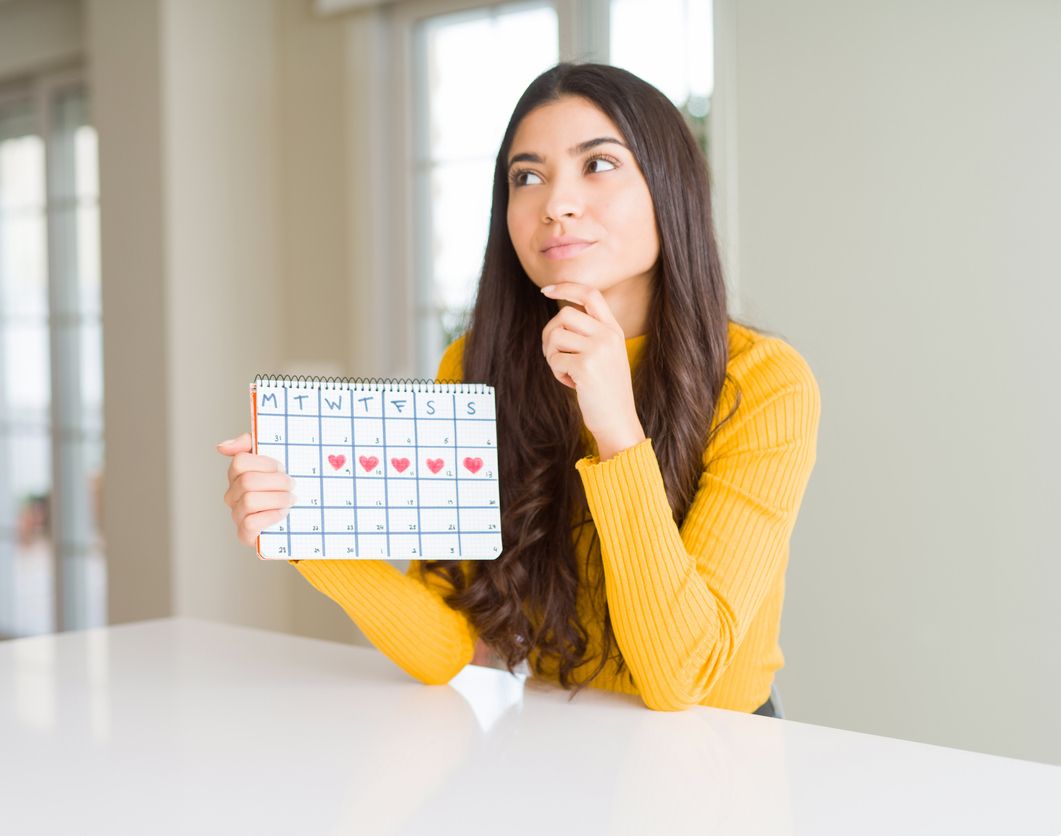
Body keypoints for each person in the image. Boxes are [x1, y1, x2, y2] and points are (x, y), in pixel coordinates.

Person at [217, 63, 819, 715]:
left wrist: (615, 425)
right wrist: (303, 528)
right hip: (552, 744)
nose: (555, 204)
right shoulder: (476, 364)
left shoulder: (763, 381)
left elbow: (678, 680)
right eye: (526, 177)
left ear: (669, 187)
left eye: (598, 165)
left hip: (723, 755)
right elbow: (450, 640)